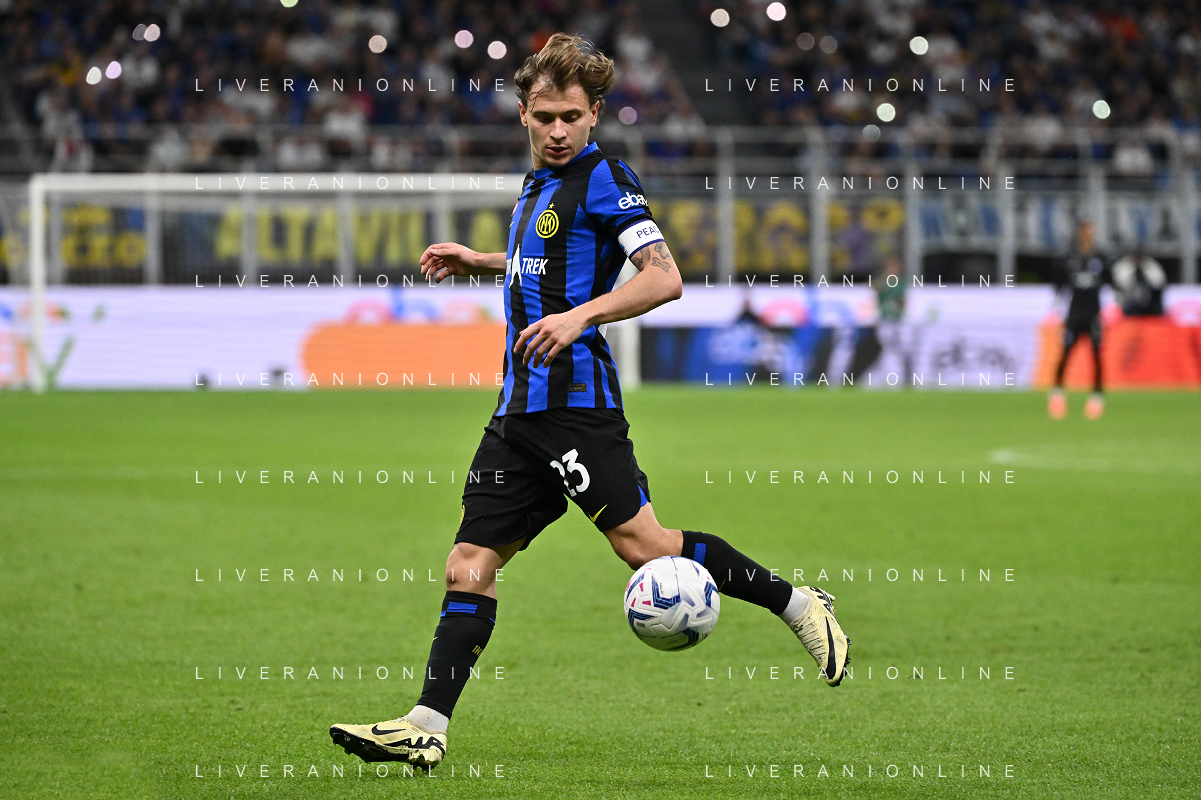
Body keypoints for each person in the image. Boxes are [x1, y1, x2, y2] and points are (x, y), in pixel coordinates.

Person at [328, 33, 851, 768]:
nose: (557, 131)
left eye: (571, 117)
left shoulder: (605, 177)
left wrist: (580, 317)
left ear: (594, 114)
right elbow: (544, 262)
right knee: (469, 562)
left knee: (645, 548)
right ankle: (427, 724)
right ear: (523, 114)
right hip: (518, 413)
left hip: (577, 406)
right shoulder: (538, 182)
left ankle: (798, 604)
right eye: (544, 117)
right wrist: (482, 261)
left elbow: (663, 277)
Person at [1049, 221, 1109, 420]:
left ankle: (1096, 397)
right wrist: (1056, 311)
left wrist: (1111, 308)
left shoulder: (1100, 258)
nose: (1088, 235)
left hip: (1093, 314)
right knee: (1066, 353)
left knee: (1097, 355)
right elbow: (1060, 287)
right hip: (1074, 314)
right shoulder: (1070, 257)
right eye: (1085, 231)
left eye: (1091, 231)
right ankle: (1057, 394)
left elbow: (1109, 283)